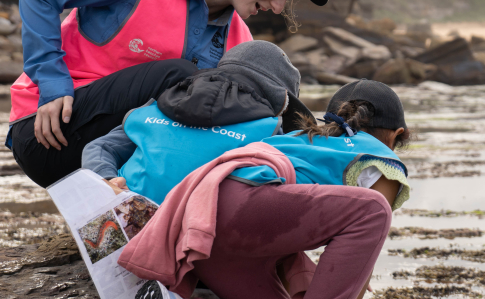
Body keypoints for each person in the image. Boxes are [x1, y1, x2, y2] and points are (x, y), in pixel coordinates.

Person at [7, 0, 328, 187]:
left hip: (116, 155)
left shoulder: (240, 40)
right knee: (183, 77)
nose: (278, 6)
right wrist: (51, 84)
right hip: (48, 131)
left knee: (253, 107)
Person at [117, 79, 413, 299]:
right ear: (396, 135)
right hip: (244, 207)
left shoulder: (301, 137)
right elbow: (363, 243)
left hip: (203, 224)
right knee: (374, 210)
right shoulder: (381, 157)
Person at [82, 40, 313, 204]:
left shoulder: (157, 107)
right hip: (202, 237)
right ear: (279, 100)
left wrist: (107, 180)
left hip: (128, 217)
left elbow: (98, 147)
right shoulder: (269, 131)